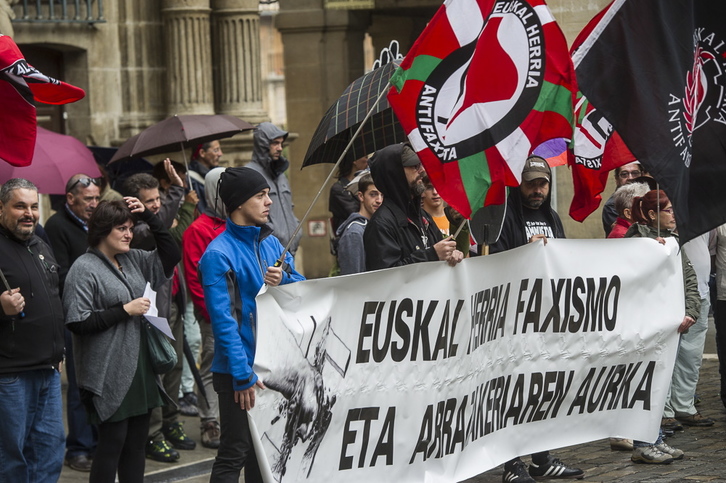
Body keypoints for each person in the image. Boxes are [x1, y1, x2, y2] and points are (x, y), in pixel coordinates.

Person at [199, 166, 305, 482]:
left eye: (268, 194)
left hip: (274, 364)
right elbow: (223, 322)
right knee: (235, 452)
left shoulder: (272, 243)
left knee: (266, 455)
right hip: (239, 371)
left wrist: (284, 278)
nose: (269, 201)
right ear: (239, 203)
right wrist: (241, 375)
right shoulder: (218, 253)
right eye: (260, 195)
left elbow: (303, 289)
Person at [63, 197, 180, 482]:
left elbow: (171, 253)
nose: (129, 234)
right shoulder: (83, 268)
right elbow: (77, 322)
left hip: (141, 368)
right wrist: (124, 310)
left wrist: (150, 218)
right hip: (108, 372)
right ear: (103, 230)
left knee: (136, 445)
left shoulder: (133, 259)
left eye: (130, 227)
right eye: (121, 229)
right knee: (111, 445)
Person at [488, 157, 582, 482]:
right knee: (512, 393)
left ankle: (541, 459)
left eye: (542, 183)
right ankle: (512, 464)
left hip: (545, 321)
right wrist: (525, 251)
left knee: (541, 392)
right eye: (531, 183)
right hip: (512, 323)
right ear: (519, 184)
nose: (538, 189)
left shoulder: (552, 217)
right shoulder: (504, 218)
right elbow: (494, 266)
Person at [124, 163, 197, 461]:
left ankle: (170, 422)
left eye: (158, 198)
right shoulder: (139, 229)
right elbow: (161, 223)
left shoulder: (156, 221)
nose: (156, 204)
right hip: (151, 312)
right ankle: (152, 433)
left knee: (175, 366)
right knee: (155, 372)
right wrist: (177, 191)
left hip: (172, 305)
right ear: (135, 204)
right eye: (150, 201)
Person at [0, 178, 66, 482]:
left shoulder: (40, 243)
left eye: (33, 206)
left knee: (51, 449)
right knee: (12, 456)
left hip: (48, 368)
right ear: (1, 208)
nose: (29, 213)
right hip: (11, 374)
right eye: (20, 206)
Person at [625, 189, 697, 464]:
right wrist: (648, 251)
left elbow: (688, 277)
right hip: (646, 327)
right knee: (645, 384)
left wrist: (690, 311)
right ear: (653, 214)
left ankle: (655, 438)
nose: (675, 216)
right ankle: (642, 444)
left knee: (661, 384)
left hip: (672, 327)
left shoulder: (675, 241)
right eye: (669, 211)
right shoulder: (635, 240)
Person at [44, 174, 102, 472]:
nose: (94, 204)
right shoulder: (57, 226)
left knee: (98, 380)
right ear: (71, 199)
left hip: (101, 312)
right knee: (80, 383)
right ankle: (78, 447)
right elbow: (61, 275)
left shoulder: (93, 223)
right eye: (88, 199)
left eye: (96, 198)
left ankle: (96, 441)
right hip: (77, 314)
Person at [182, 167, 226, 449]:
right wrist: (213, 314)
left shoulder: (238, 225)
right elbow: (196, 281)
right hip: (213, 315)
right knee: (211, 364)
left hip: (241, 312)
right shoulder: (197, 230)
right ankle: (210, 419)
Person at [363, 143, 462, 270]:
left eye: (420, 164)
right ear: (395, 173)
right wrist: (431, 254)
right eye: (414, 166)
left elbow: (440, 251)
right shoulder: (381, 224)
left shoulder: (423, 216)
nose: (421, 170)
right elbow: (386, 277)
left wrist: (451, 254)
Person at [247, 122, 302, 255]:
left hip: (290, 252)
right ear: (263, 144)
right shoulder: (250, 173)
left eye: (281, 143)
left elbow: (290, 207)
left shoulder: (281, 174)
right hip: (268, 251)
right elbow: (249, 215)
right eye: (275, 143)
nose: (280, 148)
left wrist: (297, 230)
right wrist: (275, 234)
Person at [336, 173, 382, 275]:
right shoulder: (354, 233)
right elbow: (353, 277)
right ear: (361, 196)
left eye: (382, 195)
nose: (379, 200)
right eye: (373, 194)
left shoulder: (377, 226)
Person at [602, 161, 644, 236]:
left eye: (635, 173)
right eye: (624, 174)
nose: (630, 178)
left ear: (642, 175)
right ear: (617, 179)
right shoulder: (612, 206)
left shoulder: (649, 197)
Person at [329, 154, 367, 233]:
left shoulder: (364, 185)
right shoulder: (339, 189)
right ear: (355, 161)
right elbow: (355, 212)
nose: (367, 160)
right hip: (350, 233)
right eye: (365, 157)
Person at [189, 140, 224, 213]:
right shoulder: (190, 179)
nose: (220, 154)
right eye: (216, 150)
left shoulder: (219, 173)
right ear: (202, 153)